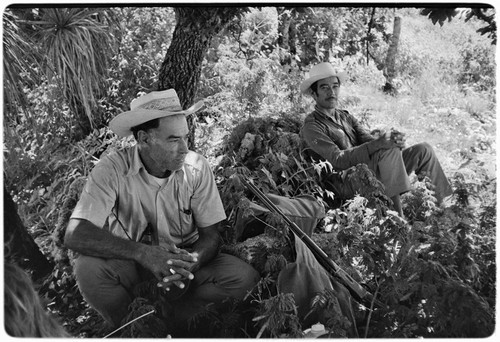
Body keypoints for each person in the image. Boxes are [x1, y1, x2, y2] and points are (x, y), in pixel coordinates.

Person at [64, 89, 260, 329]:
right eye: (173, 139)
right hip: (131, 262)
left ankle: (174, 323)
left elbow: (211, 235)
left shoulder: (196, 168)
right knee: (88, 269)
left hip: (184, 263)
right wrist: (144, 254)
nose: (185, 148)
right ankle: (135, 327)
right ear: (144, 139)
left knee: (244, 279)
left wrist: (190, 262)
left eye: (185, 137)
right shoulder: (112, 169)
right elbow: (75, 234)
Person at [300, 62, 453, 214]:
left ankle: (445, 207)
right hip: (342, 183)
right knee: (388, 152)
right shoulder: (312, 126)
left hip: (368, 171)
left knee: (423, 149)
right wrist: (381, 145)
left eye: (335, 86)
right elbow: (338, 160)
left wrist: (392, 141)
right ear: (314, 94)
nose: (331, 92)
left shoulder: (345, 117)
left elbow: (369, 141)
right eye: (324, 87)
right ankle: (397, 221)